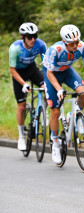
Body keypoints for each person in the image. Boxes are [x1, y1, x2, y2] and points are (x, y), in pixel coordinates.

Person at [43, 24, 84, 164]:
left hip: (67, 72)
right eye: (72, 43)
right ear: (64, 42)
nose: (75, 45)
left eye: (77, 42)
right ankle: (55, 141)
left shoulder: (82, 47)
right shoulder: (55, 50)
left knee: (83, 92)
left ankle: (76, 116)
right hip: (51, 75)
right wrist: (58, 89)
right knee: (55, 112)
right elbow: (50, 73)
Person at [9, 22, 47, 151]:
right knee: (22, 106)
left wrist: (48, 81)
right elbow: (12, 70)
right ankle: (21, 137)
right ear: (22, 37)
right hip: (18, 74)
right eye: (29, 37)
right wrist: (23, 84)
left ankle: (44, 114)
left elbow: (47, 65)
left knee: (47, 88)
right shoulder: (15, 48)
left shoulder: (40, 44)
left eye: (34, 36)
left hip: (32, 69)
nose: (33, 39)